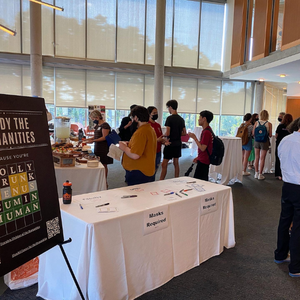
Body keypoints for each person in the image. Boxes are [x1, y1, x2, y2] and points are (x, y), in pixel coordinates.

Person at [274, 117, 300, 277]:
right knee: (298, 226)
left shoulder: (285, 139)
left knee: (284, 220)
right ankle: (296, 267)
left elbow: (280, 158)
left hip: (287, 186)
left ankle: (280, 255)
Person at [119, 106, 156, 186]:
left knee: (136, 196)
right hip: (145, 169)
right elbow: (143, 146)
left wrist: (124, 148)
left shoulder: (141, 132)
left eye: (132, 118)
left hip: (138, 171)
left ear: (136, 118)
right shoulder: (149, 129)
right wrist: (130, 144)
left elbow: (135, 155)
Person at [160, 100, 186, 180]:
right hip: (178, 143)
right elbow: (184, 133)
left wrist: (163, 135)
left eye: (168, 108)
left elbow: (167, 133)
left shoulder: (169, 118)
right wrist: (177, 133)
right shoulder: (181, 119)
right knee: (176, 163)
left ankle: (161, 180)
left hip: (170, 143)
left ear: (171, 107)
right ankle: (176, 179)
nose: (168, 110)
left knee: (164, 164)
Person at [85, 110, 113, 185]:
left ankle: (104, 181)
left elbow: (104, 137)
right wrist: (88, 139)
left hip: (104, 147)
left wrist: (93, 140)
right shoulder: (98, 126)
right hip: (98, 146)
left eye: (93, 119)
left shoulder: (105, 125)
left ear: (97, 117)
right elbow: (97, 135)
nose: (93, 121)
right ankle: (100, 180)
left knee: (104, 164)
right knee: (99, 163)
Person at [188, 110, 213, 181]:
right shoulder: (207, 130)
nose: (198, 119)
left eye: (200, 117)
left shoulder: (206, 132)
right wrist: (198, 157)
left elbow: (202, 148)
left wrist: (194, 138)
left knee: (200, 181)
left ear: (204, 119)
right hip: (203, 159)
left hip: (204, 160)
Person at [252, 110, 272, 180]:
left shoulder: (256, 123)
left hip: (257, 141)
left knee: (256, 157)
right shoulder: (269, 124)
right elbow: (270, 135)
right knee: (262, 158)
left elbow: (253, 134)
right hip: (265, 141)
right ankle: (260, 174)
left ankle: (256, 173)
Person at [147, 106, 165, 174]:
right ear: (149, 114)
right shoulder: (147, 125)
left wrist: (164, 141)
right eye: (154, 113)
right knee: (149, 170)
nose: (156, 114)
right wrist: (157, 140)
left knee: (155, 169)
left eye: (156, 113)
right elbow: (147, 140)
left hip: (158, 150)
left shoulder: (158, 125)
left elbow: (160, 137)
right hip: (150, 151)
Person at [275, 113, 293, 180]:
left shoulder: (280, 126)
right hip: (289, 145)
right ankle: (286, 173)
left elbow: (276, 135)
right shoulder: (292, 127)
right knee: (288, 159)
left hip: (280, 143)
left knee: (278, 158)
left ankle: (279, 174)